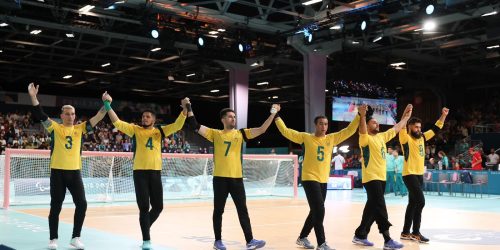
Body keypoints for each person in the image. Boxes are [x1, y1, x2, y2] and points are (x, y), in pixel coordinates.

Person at [184, 101, 278, 250]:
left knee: (243, 210)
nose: (233, 119)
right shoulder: (215, 134)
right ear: (223, 119)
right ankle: (218, 241)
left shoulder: (241, 134)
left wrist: (273, 113)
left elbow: (261, 129)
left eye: (234, 116)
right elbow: (194, 125)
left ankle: (250, 240)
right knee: (218, 211)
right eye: (229, 117)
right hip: (220, 179)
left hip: (236, 179)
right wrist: (189, 107)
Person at [102, 92, 188, 249]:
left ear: (154, 120)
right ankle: (146, 240)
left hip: (155, 172)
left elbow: (177, 125)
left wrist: (185, 110)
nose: (145, 118)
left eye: (148, 116)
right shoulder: (135, 130)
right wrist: (107, 105)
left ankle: (144, 226)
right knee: (143, 207)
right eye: (143, 116)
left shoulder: (160, 131)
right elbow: (117, 122)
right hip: (140, 173)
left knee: (158, 207)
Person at [28, 83, 107, 250]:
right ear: (61, 115)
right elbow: (39, 114)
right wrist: (33, 97)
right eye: (67, 114)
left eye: (72, 114)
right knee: (56, 205)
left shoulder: (80, 128)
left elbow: (99, 116)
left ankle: (75, 237)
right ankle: (53, 239)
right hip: (57, 172)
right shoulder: (55, 128)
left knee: (82, 203)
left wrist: (107, 103)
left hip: (75, 172)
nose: (70, 116)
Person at [275, 105, 362, 250]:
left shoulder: (332, 138)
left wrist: (359, 115)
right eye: (321, 123)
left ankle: (302, 237)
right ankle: (321, 243)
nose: (324, 126)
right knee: (320, 210)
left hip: (323, 180)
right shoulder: (306, 138)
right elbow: (286, 131)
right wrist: (277, 116)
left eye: (326, 124)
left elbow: (349, 130)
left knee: (315, 210)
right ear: (315, 125)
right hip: (310, 178)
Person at [352, 104, 412, 250]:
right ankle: (387, 239)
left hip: (381, 177)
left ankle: (360, 234)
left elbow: (397, 128)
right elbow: (362, 128)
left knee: (372, 208)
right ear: (366, 125)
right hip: (371, 177)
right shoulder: (364, 138)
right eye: (373, 122)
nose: (377, 123)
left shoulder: (382, 137)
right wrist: (363, 115)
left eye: (377, 122)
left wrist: (406, 117)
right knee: (380, 206)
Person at [399, 107, 449, 243]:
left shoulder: (422, 137)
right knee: (420, 202)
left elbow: (436, 128)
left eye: (420, 127)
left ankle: (405, 232)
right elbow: (402, 125)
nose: (419, 129)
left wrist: (443, 115)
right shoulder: (405, 138)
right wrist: (406, 114)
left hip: (419, 174)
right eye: (416, 127)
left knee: (412, 203)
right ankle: (415, 233)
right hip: (409, 174)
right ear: (410, 127)